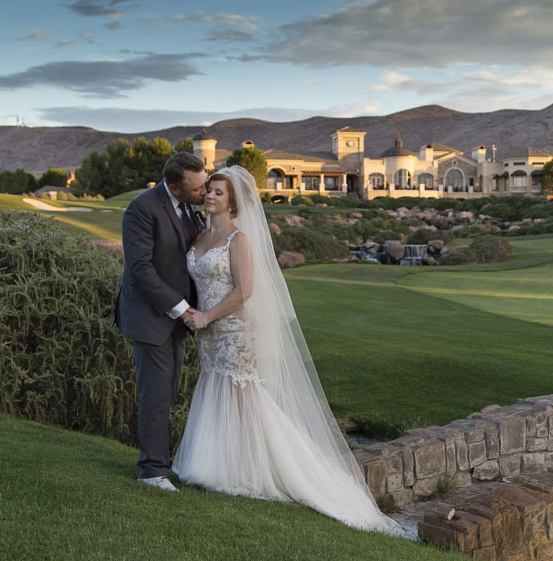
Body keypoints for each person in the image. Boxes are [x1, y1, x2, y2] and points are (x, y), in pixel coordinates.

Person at [172, 166, 404, 537]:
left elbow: (244, 291)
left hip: (233, 328)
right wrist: (198, 320)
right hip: (208, 332)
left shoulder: (238, 239)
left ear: (233, 202)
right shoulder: (200, 237)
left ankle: (253, 471)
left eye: (218, 192)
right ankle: (217, 465)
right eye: (209, 191)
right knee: (217, 390)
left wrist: (206, 318)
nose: (210, 196)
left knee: (242, 396)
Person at [114, 152, 208, 492]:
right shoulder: (142, 209)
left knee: (167, 393)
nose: (204, 192)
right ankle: (152, 472)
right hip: (151, 317)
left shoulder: (193, 209)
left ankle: (162, 462)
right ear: (174, 187)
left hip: (178, 320)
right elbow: (140, 270)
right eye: (197, 188)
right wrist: (183, 309)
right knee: (155, 395)